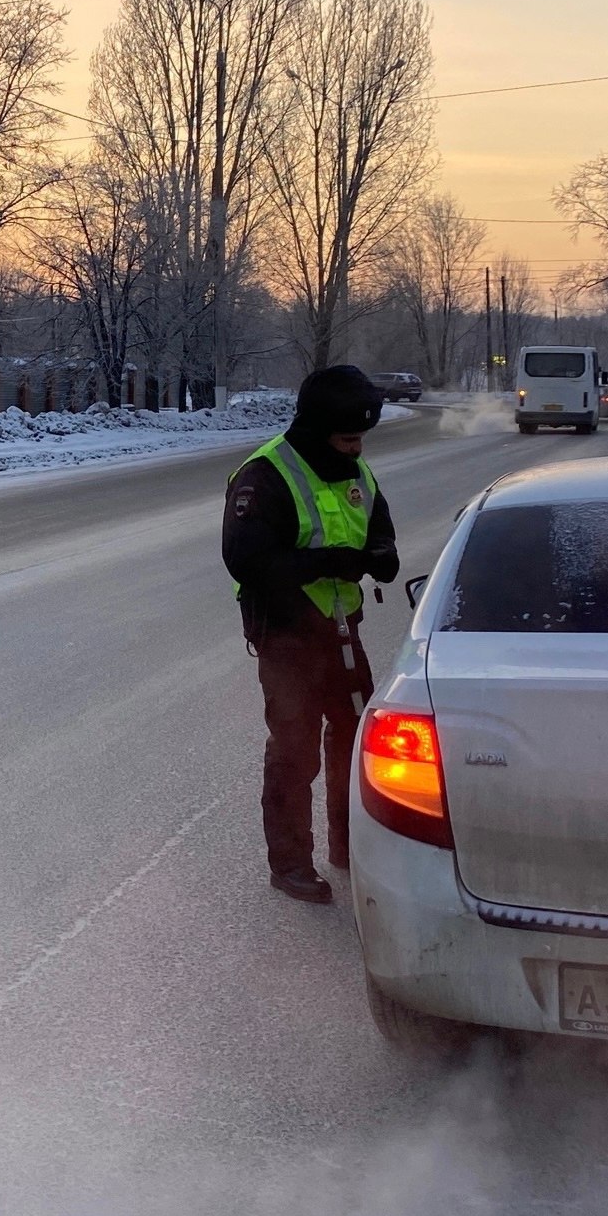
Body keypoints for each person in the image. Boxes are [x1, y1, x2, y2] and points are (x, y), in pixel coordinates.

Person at [222, 366, 401, 904]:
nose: (357, 447)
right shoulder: (265, 475)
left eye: (361, 436)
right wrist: (330, 562)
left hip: (343, 632)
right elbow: (247, 561)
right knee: (294, 750)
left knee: (357, 740)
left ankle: (349, 846)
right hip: (286, 634)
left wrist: (381, 555)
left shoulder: (356, 470)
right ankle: (290, 864)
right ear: (319, 427)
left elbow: (379, 528)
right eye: (347, 437)